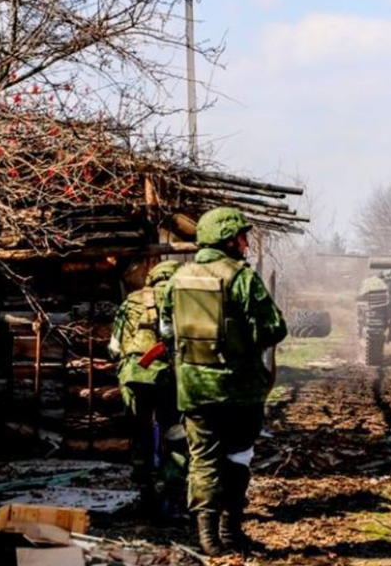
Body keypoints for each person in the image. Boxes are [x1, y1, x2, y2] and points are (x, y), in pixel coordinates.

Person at [160, 207, 287, 556]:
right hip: (238, 390)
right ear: (228, 240)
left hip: (194, 391)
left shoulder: (178, 278)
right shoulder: (241, 277)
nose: (246, 244)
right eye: (243, 237)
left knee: (202, 459)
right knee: (237, 457)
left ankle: (207, 538)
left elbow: (166, 331)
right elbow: (274, 329)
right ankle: (230, 534)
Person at [109, 259, 184, 513]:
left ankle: (144, 490)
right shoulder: (180, 299)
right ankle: (170, 488)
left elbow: (113, 347)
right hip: (167, 378)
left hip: (133, 377)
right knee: (174, 432)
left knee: (140, 434)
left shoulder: (130, 300)